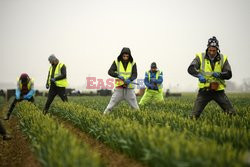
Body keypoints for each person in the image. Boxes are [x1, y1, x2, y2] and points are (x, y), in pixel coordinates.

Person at [188, 36, 236, 119]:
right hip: (204, 91)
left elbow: (229, 74)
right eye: (210, 50)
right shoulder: (200, 57)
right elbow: (191, 68)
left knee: (232, 114)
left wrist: (220, 74)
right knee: (194, 116)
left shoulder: (223, 59)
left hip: (219, 91)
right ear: (207, 48)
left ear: (217, 49)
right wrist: (199, 75)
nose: (212, 52)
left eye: (214, 50)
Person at [104, 47, 139, 114]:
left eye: (127, 56)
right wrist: (118, 76)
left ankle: (140, 119)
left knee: (136, 108)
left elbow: (135, 74)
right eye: (124, 56)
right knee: (110, 106)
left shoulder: (133, 63)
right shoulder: (117, 62)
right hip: (119, 89)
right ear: (121, 55)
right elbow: (110, 71)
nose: (125, 57)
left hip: (129, 90)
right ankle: (103, 116)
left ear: (129, 56)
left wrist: (130, 79)